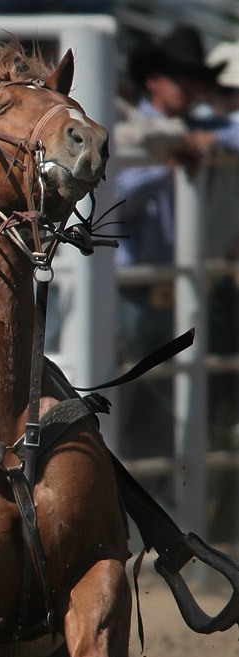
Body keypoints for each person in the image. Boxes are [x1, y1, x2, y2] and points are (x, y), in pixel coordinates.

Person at [113, 24, 229, 480]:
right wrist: (170, 159)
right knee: (120, 414)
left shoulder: (198, 130)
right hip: (132, 299)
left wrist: (201, 143)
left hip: (169, 299)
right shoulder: (124, 124)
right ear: (152, 79)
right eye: (178, 74)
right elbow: (115, 202)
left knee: (161, 425)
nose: (189, 85)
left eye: (195, 77)